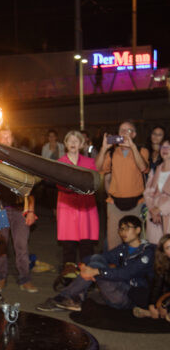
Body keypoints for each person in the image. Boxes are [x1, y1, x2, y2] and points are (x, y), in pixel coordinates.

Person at [36, 215, 155, 312]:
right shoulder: (123, 248)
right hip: (117, 288)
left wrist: (97, 271)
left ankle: (66, 297)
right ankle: (74, 298)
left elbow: (126, 273)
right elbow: (102, 257)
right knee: (96, 259)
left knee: (97, 267)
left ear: (138, 230)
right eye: (121, 229)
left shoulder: (147, 252)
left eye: (127, 228)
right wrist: (82, 265)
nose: (123, 232)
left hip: (129, 297)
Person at [0, 127, 38, 293]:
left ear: (12, 139)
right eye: (2, 137)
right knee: (0, 246)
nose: (6, 140)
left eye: (8, 136)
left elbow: (30, 188)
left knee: (21, 246)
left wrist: (31, 211)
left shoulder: (20, 160)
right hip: (0, 209)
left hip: (20, 209)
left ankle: (25, 279)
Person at [96, 120, 149, 250]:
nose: (124, 133)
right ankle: (116, 268)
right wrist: (103, 148)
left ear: (134, 134)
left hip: (136, 203)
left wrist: (132, 147)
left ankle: (136, 267)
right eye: (122, 130)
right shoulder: (112, 153)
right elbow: (97, 168)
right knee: (114, 240)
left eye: (128, 130)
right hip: (114, 204)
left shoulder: (142, 150)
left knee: (136, 241)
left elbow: (143, 167)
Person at [56, 130, 99, 276]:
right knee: (69, 245)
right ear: (65, 144)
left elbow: (93, 184)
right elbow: (59, 184)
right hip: (67, 206)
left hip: (86, 207)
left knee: (86, 245)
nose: (73, 143)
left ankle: (87, 276)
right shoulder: (59, 163)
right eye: (70, 140)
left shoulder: (89, 162)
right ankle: (69, 277)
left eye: (76, 141)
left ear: (81, 144)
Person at [133, 234, 170, 321]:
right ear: (164, 253)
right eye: (168, 248)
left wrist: (164, 304)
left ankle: (152, 314)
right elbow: (157, 286)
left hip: (167, 300)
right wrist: (152, 305)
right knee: (135, 292)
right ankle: (158, 313)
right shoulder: (164, 264)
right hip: (166, 296)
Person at [143, 140, 170, 244]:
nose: (165, 150)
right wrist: (152, 209)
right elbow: (147, 192)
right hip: (154, 217)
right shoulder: (155, 170)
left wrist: (160, 209)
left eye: (168, 147)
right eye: (162, 147)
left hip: (167, 213)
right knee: (156, 249)